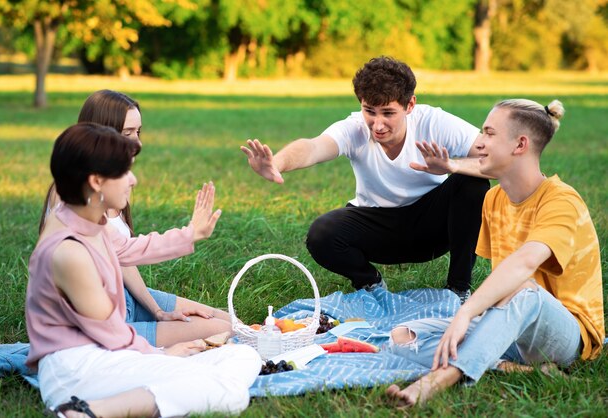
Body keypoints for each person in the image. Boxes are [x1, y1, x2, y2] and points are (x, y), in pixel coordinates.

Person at [28, 122, 261, 417]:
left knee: (242, 355)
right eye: (124, 172)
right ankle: (88, 412)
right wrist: (160, 354)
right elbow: (112, 333)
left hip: (106, 357)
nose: (133, 180)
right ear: (97, 181)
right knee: (232, 394)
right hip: (78, 370)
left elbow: (130, 249)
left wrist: (191, 234)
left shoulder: (84, 220)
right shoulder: (69, 252)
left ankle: (143, 397)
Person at [385, 99, 604, 407]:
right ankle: (514, 368)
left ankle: (440, 379)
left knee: (524, 290)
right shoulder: (493, 199)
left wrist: (467, 311)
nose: (479, 142)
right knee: (402, 337)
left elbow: (524, 262)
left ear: (520, 144)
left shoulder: (562, 201)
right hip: (512, 328)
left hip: (566, 335)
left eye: (488, 133)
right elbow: (501, 281)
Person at [241, 56, 490, 300]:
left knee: (473, 184)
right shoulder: (355, 128)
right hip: (378, 225)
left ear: (410, 105)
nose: (377, 125)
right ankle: (371, 284)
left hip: (433, 226)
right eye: (369, 111)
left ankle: (458, 289)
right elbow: (314, 147)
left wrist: (451, 166)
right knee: (322, 233)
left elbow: (492, 160)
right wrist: (278, 163)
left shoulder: (435, 122)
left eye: (388, 113)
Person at [39, 89, 231, 347]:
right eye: (127, 133)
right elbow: (126, 250)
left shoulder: (114, 184)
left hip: (124, 297)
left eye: (138, 132)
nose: (137, 143)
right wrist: (190, 233)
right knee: (217, 331)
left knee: (228, 322)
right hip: (98, 321)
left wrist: (156, 311)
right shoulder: (75, 196)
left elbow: (123, 258)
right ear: (101, 132)